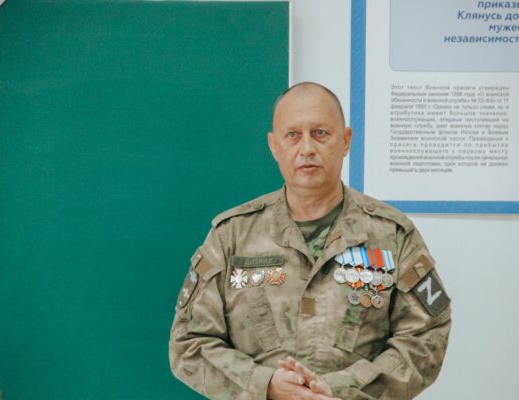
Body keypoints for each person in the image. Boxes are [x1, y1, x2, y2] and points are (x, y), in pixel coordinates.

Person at [169, 82, 452, 400]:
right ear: (274, 146)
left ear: (345, 140)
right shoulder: (231, 235)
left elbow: (426, 336)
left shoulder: (393, 234)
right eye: (293, 135)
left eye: (320, 133)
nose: (307, 148)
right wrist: (265, 384)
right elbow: (189, 343)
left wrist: (341, 388)